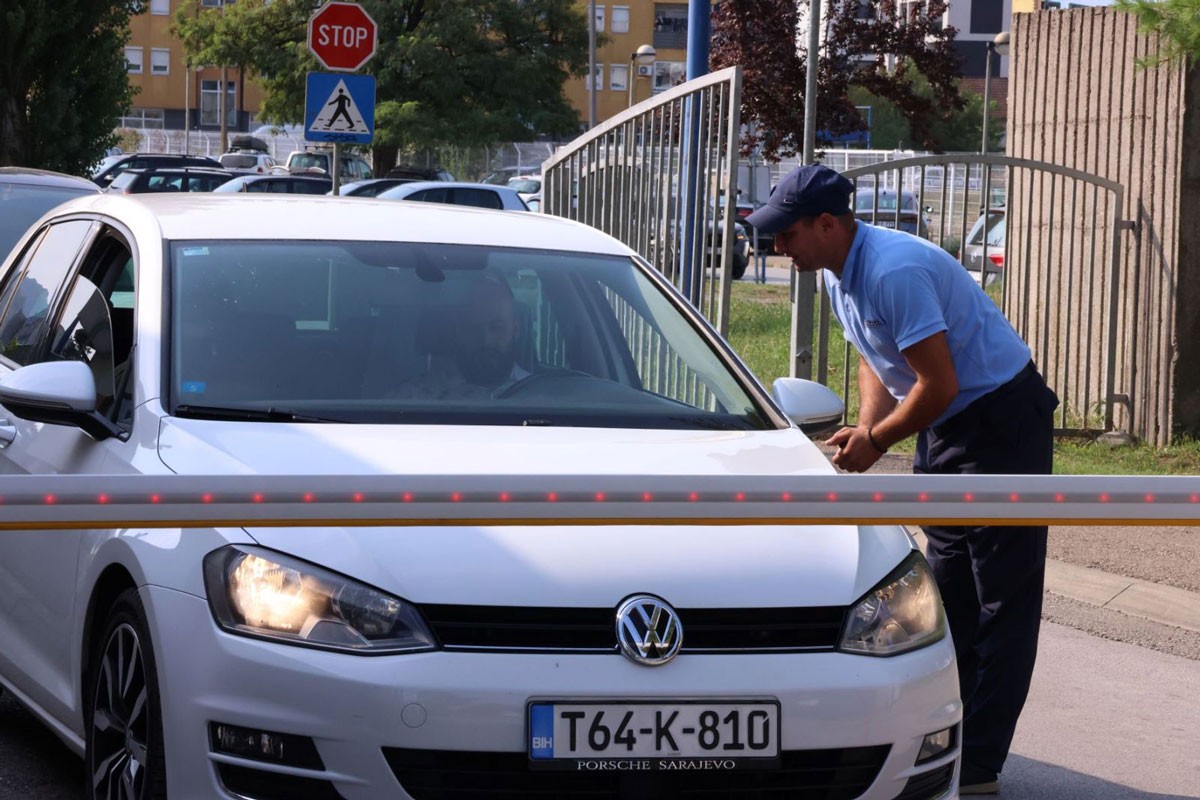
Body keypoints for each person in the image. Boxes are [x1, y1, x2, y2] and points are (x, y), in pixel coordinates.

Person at [747, 165, 1059, 796]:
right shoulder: (842, 275)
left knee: (1002, 596)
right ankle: (953, 739)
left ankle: (979, 766)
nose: (778, 247)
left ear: (828, 224)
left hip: (999, 421)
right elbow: (875, 355)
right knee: (949, 591)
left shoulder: (892, 269)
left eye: (787, 234)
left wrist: (881, 439)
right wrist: (867, 423)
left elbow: (938, 383)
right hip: (948, 424)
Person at [395, 275, 529, 400]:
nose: (486, 340)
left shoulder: (541, 393)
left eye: (497, 327)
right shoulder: (414, 397)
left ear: (515, 329)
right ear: (457, 332)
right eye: (473, 329)